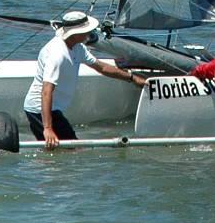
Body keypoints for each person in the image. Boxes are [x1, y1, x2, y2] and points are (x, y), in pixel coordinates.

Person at [23, 10, 145, 148]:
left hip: (52, 108)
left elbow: (101, 67)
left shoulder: (77, 47)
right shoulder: (57, 54)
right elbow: (46, 91)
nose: (89, 34)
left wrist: (132, 78)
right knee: (71, 148)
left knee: (64, 149)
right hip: (39, 109)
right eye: (86, 31)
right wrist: (48, 128)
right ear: (76, 33)